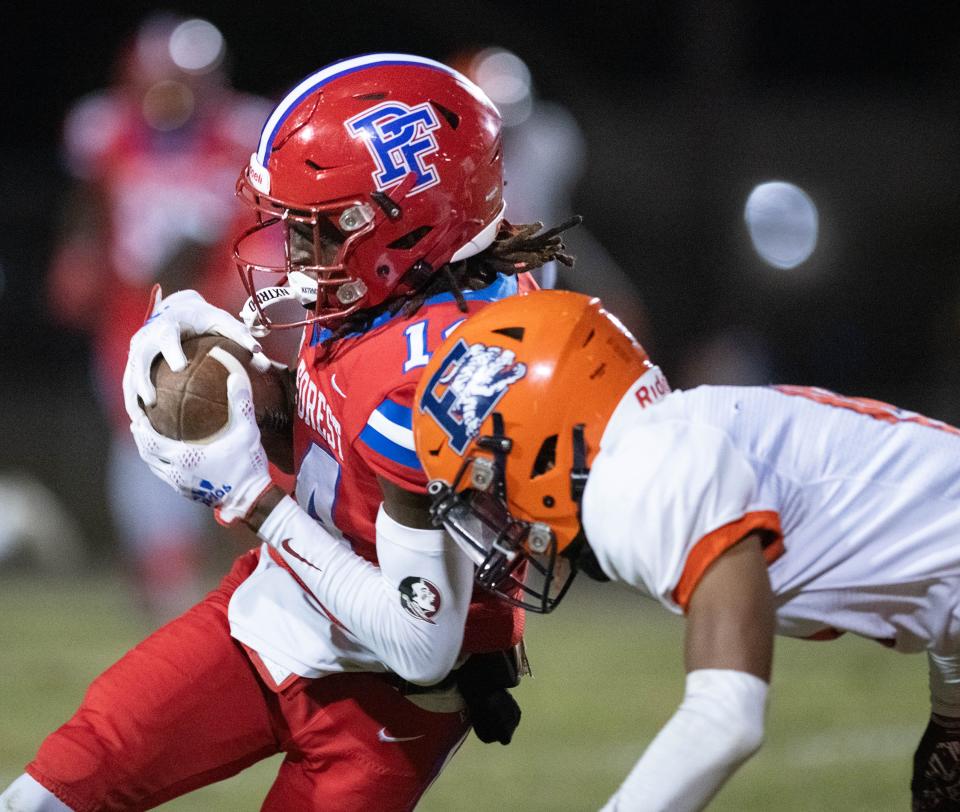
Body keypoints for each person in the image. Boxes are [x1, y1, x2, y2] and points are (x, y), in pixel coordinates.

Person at [1, 54, 580, 811]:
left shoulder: (451, 372)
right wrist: (247, 383)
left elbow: (418, 640)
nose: (295, 252)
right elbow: (339, 446)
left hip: (394, 694)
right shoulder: (406, 282)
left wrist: (251, 497)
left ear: (408, 226)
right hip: (275, 609)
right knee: (50, 792)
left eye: (320, 227)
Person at [410, 288, 960, 812]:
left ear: (542, 444)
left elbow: (726, 717)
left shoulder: (642, 475)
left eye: (488, 486)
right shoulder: (671, 437)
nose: (499, 518)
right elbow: (929, 526)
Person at [46, 12, 272, 619]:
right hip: (133, 312)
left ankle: (264, 571)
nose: (177, 92)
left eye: (192, 78)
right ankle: (166, 575)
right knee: (145, 436)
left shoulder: (244, 131)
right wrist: (79, 254)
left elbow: (265, 224)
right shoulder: (104, 129)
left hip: (228, 308)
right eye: (166, 77)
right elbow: (90, 206)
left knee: (252, 438)